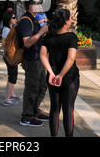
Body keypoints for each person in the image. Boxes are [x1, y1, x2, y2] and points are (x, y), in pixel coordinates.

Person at [40, 8, 80, 137]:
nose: (72, 20)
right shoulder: (71, 37)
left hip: (52, 78)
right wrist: (61, 75)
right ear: (66, 22)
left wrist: (51, 73)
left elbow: (42, 55)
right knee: (68, 109)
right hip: (69, 78)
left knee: (54, 109)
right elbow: (71, 57)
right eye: (70, 18)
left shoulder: (48, 37)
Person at [17, 0, 49, 127]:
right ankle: (26, 117)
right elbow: (27, 42)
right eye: (38, 4)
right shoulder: (26, 20)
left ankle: (34, 110)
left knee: (42, 86)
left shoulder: (34, 18)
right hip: (31, 60)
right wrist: (41, 32)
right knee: (32, 88)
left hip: (38, 58)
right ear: (31, 6)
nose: (41, 5)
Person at [1, 10, 22, 106]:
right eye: (13, 18)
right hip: (9, 56)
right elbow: (3, 43)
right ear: (8, 19)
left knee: (13, 75)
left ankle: (11, 94)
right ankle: (7, 99)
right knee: (12, 77)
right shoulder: (6, 30)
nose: (15, 19)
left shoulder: (11, 28)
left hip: (11, 56)